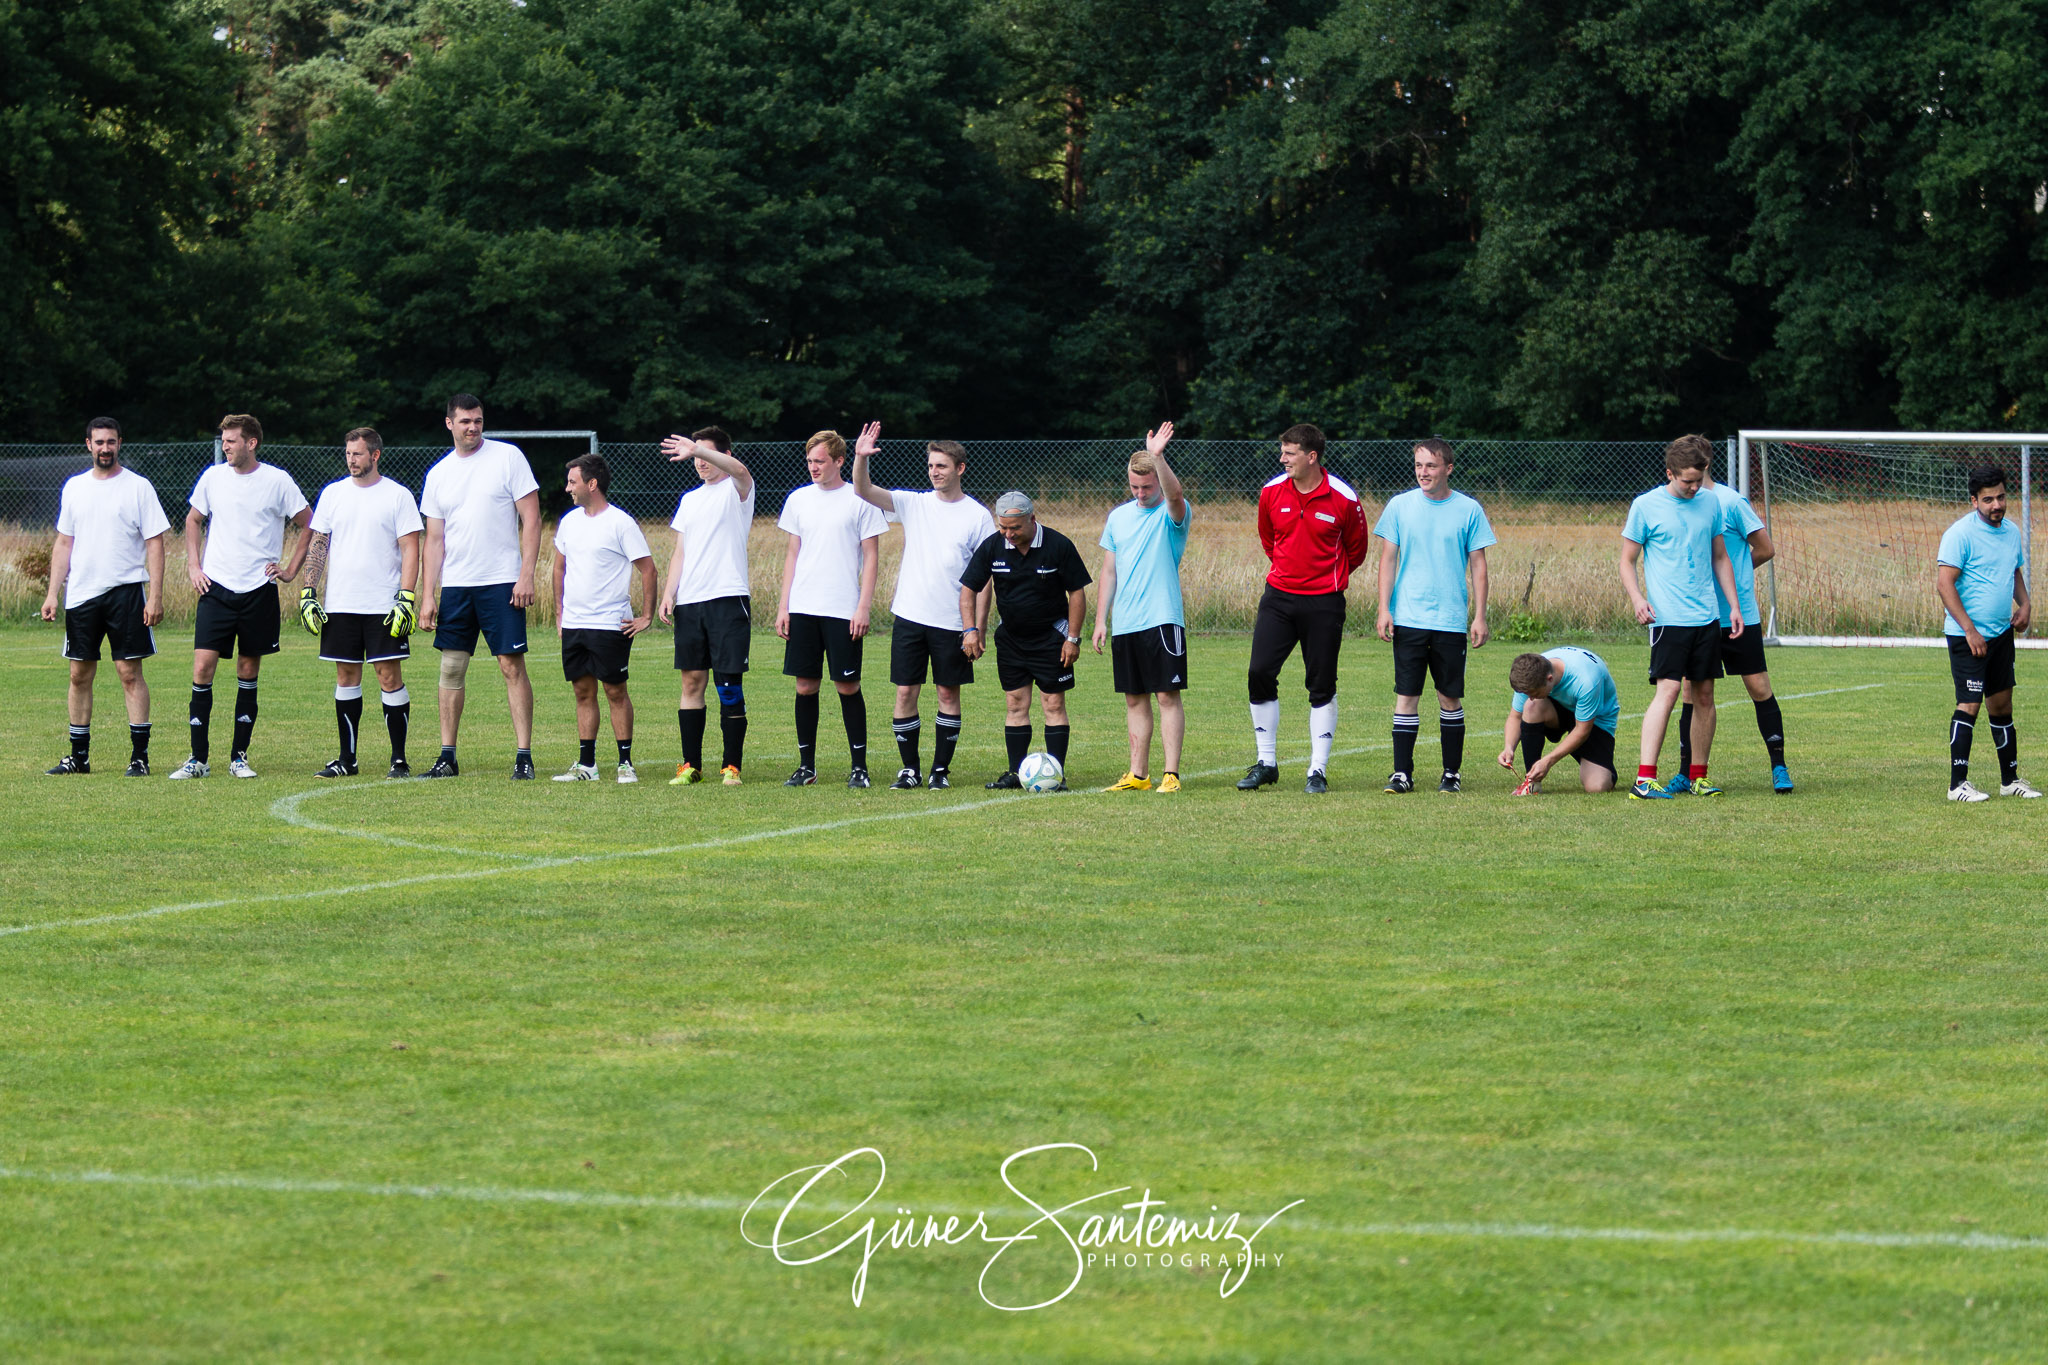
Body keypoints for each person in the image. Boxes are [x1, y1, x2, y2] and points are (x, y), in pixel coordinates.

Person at [852, 425, 995, 790]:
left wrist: (975, 627)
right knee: (905, 692)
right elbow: (863, 490)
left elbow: (985, 579)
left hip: (953, 622)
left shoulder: (977, 516)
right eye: (931, 465)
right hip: (910, 617)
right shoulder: (914, 503)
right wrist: (860, 458)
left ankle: (940, 772)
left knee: (947, 693)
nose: (934, 471)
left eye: (942, 466)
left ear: (960, 469)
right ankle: (910, 770)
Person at [170, 413, 311, 779]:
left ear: (251, 443)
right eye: (224, 440)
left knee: (247, 671)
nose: (226, 446)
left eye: (232, 440)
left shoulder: (277, 481)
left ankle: (239, 757)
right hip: (216, 588)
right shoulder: (213, 477)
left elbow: (309, 522)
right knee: (202, 668)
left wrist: (291, 569)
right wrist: (193, 566)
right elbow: (192, 520)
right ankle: (197, 759)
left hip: (258, 591)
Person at [1237, 423, 1370, 795]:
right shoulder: (1270, 492)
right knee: (1259, 671)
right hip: (1278, 597)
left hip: (1324, 602)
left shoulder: (1344, 497)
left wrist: (1324, 579)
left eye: (1290, 453)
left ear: (1311, 456)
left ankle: (1317, 770)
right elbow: (1269, 539)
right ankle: (1266, 763)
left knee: (1321, 683)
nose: (1283, 459)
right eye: (1282, 452)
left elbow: (1356, 550)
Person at [418, 394, 542, 780]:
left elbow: (532, 519)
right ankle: (447, 757)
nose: (473, 427)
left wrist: (526, 575)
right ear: (449, 424)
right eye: (465, 421)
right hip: (457, 586)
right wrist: (427, 595)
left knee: (510, 666)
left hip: (502, 581)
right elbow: (434, 540)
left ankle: (524, 756)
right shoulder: (438, 474)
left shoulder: (508, 458)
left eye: (478, 420)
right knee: (452, 668)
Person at [39, 417, 171, 776]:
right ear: (88, 445)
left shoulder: (138, 487)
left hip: (126, 592)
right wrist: (53, 593)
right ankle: (78, 758)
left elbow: (155, 542)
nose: (105, 449)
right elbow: (64, 542)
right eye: (99, 442)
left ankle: (139, 758)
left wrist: (155, 595)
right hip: (82, 595)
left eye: (111, 442)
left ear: (119, 443)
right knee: (79, 674)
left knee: (129, 673)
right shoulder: (74, 488)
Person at [1618, 434, 1744, 800]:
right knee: (1669, 691)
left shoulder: (1710, 504)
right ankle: (1645, 779)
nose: (1693, 487)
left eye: (1699, 479)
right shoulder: (1645, 506)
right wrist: (1638, 599)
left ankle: (1697, 776)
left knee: (1705, 695)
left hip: (1706, 616)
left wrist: (1733, 607)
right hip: (1668, 619)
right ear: (1670, 472)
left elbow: (1720, 557)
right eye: (1687, 480)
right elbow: (1627, 560)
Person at [297, 427, 424, 778]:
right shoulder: (333, 494)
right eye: (348, 453)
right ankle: (347, 760)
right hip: (341, 603)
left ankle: (398, 760)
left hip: (383, 603)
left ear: (375, 455)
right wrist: (309, 591)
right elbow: (319, 543)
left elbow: (411, 548)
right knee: (346, 674)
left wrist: (406, 597)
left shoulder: (397, 495)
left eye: (358, 453)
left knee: (388, 675)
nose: (351, 459)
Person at [1373, 437, 1495, 794]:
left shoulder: (1469, 509)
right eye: (1418, 465)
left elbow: (1479, 566)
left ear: (1448, 469)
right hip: (1409, 618)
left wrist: (1480, 616)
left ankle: (1451, 774)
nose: (1423, 472)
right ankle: (1401, 774)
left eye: (1430, 465)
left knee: (1448, 697)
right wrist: (1384, 608)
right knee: (1406, 696)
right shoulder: (1399, 506)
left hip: (1450, 621)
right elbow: (1387, 560)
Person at [1669, 460, 1791, 795]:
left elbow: (1765, 548)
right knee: (1692, 693)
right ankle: (1685, 772)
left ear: (1705, 464)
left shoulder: (1731, 502)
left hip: (1740, 616)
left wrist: (1735, 577)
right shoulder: (1680, 505)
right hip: (1698, 617)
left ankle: (1779, 767)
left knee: (1758, 688)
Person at [776, 428, 888, 788]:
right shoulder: (798, 500)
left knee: (847, 685)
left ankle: (859, 768)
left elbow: (871, 557)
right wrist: (784, 606)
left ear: (840, 461)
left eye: (820, 461)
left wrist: (863, 607)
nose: (813, 467)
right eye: (809, 461)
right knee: (806, 686)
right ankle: (806, 766)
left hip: (843, 609)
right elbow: (793, 554)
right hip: (804, 607)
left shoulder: (860, 500)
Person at [1092, 422, 1191, 793]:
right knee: (1135, 698)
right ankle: (1138, 774)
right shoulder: (1118, 517)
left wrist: (1158, 455)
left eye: (1147, 487)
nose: (1140, 493)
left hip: (1163, 619)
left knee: (1166, 695)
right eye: (1134, 486)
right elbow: (1109, 570)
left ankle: (1171, 774)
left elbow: (1176, 494)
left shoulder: (1171, 514)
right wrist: (1101, 620)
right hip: (1127, 623)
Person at [657, 426, 755, 786]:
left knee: (728, 684)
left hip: (727, 599)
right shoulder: (690, 500)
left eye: (705, 455)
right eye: (695, 457)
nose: (699, 462)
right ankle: (690, 765)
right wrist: (670, 593)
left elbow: (741, 471)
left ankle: (732, 766)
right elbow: (681, 551)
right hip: (692, 603)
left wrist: (697, 446)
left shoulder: (737, 488)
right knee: (692, 680)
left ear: (723, 454)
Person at [550, 455, 656, 782]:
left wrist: (646, 616)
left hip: (610, 624)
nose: (568, 488)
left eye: (573, 482)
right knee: (583, 692)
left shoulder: (621, 523)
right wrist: (559, 614)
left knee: (614, 691)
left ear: (591, 484)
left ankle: (625, 763)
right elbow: (559, 568)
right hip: (575, 624)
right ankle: (587, 766)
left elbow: (648, 569)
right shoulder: (569, 522)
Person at [1936, 464, 2037, 802]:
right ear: (1974, 501)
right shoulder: (1959, 534)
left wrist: (2024, 605)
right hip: (1968, 638)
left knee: (2002, 705)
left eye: (2001, 497)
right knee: (1969, 704)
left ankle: (2010, 781)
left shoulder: (2010, 531)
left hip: (2000, 636)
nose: (1997, 505)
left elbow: (2015, 571)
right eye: (1988, 499)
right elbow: (1944, 583)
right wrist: (1969, 630)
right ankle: (1957, 785)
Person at [1499, 648, 1621, 794]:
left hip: (1595, 720)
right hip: (1559, 709)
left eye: (1534, 693)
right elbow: (1515, 717)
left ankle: (1605, 770)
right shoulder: (1531, 673)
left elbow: (1582, 730)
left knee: (1597, 787)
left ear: (1549, 678)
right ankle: (1532, 782)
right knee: (1531, 706)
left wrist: (1548, 760)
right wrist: (1509, 747)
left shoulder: (1586, 680)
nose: (1530, 697)